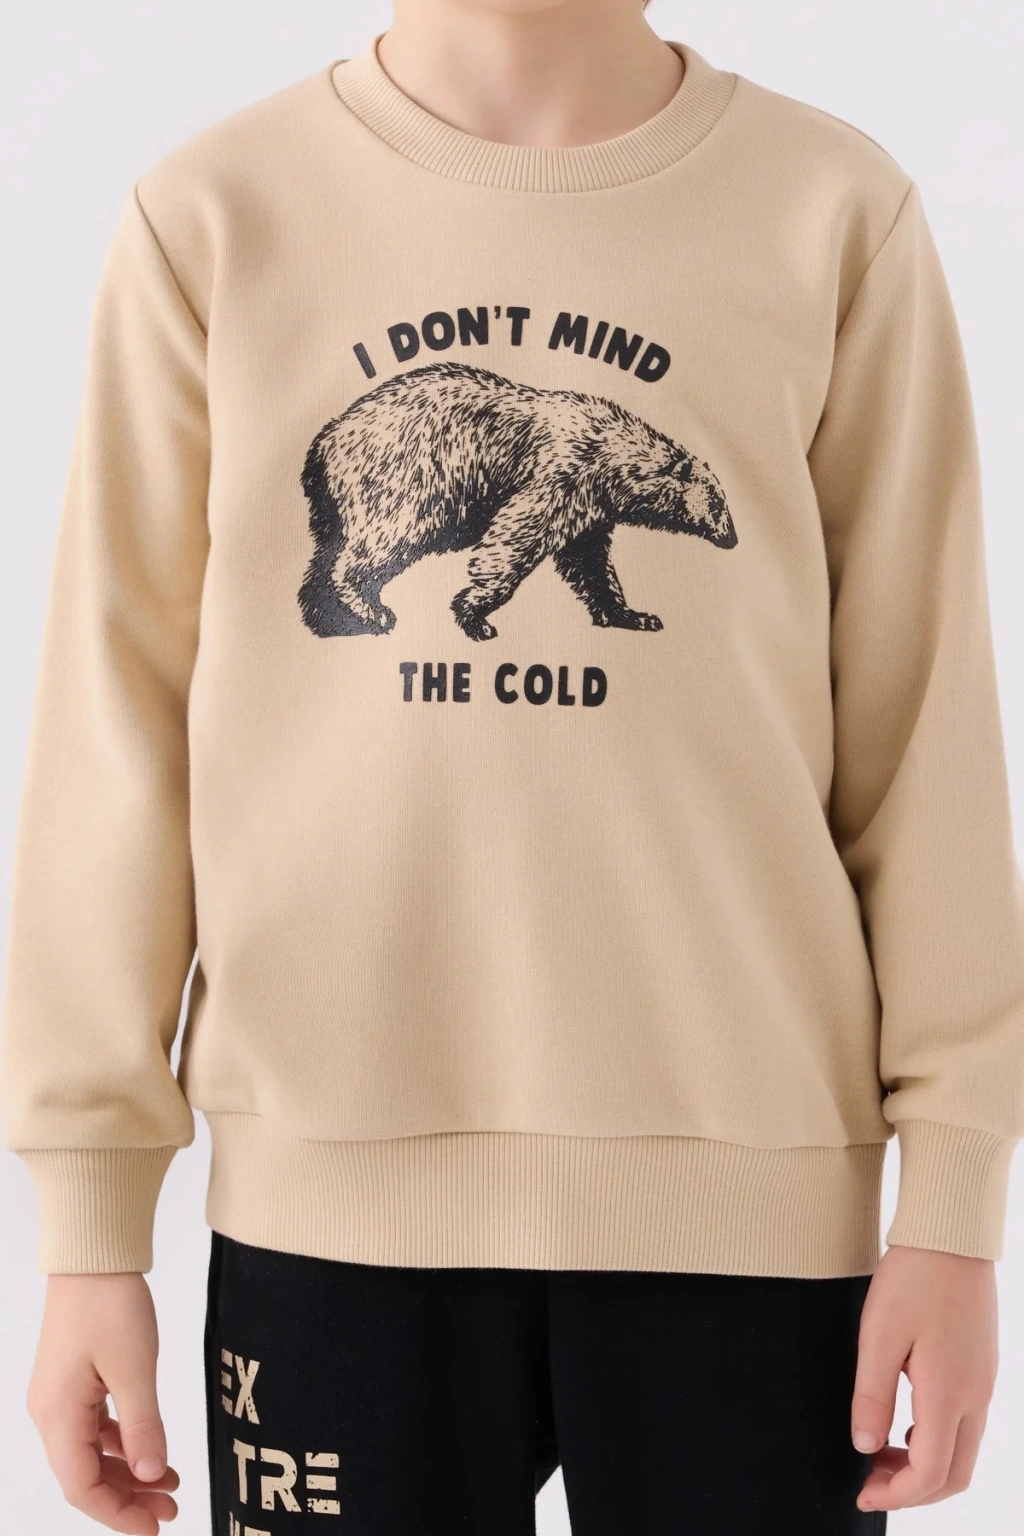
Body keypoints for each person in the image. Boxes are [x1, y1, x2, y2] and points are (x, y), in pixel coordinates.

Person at [3, 0, 1023, 1531]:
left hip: (753, 1210)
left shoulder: (829, 210)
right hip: (331, 1198)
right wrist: (91, 1226)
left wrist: (954, 1201)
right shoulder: (216, 213)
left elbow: (924, 729)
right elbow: (114, 729)